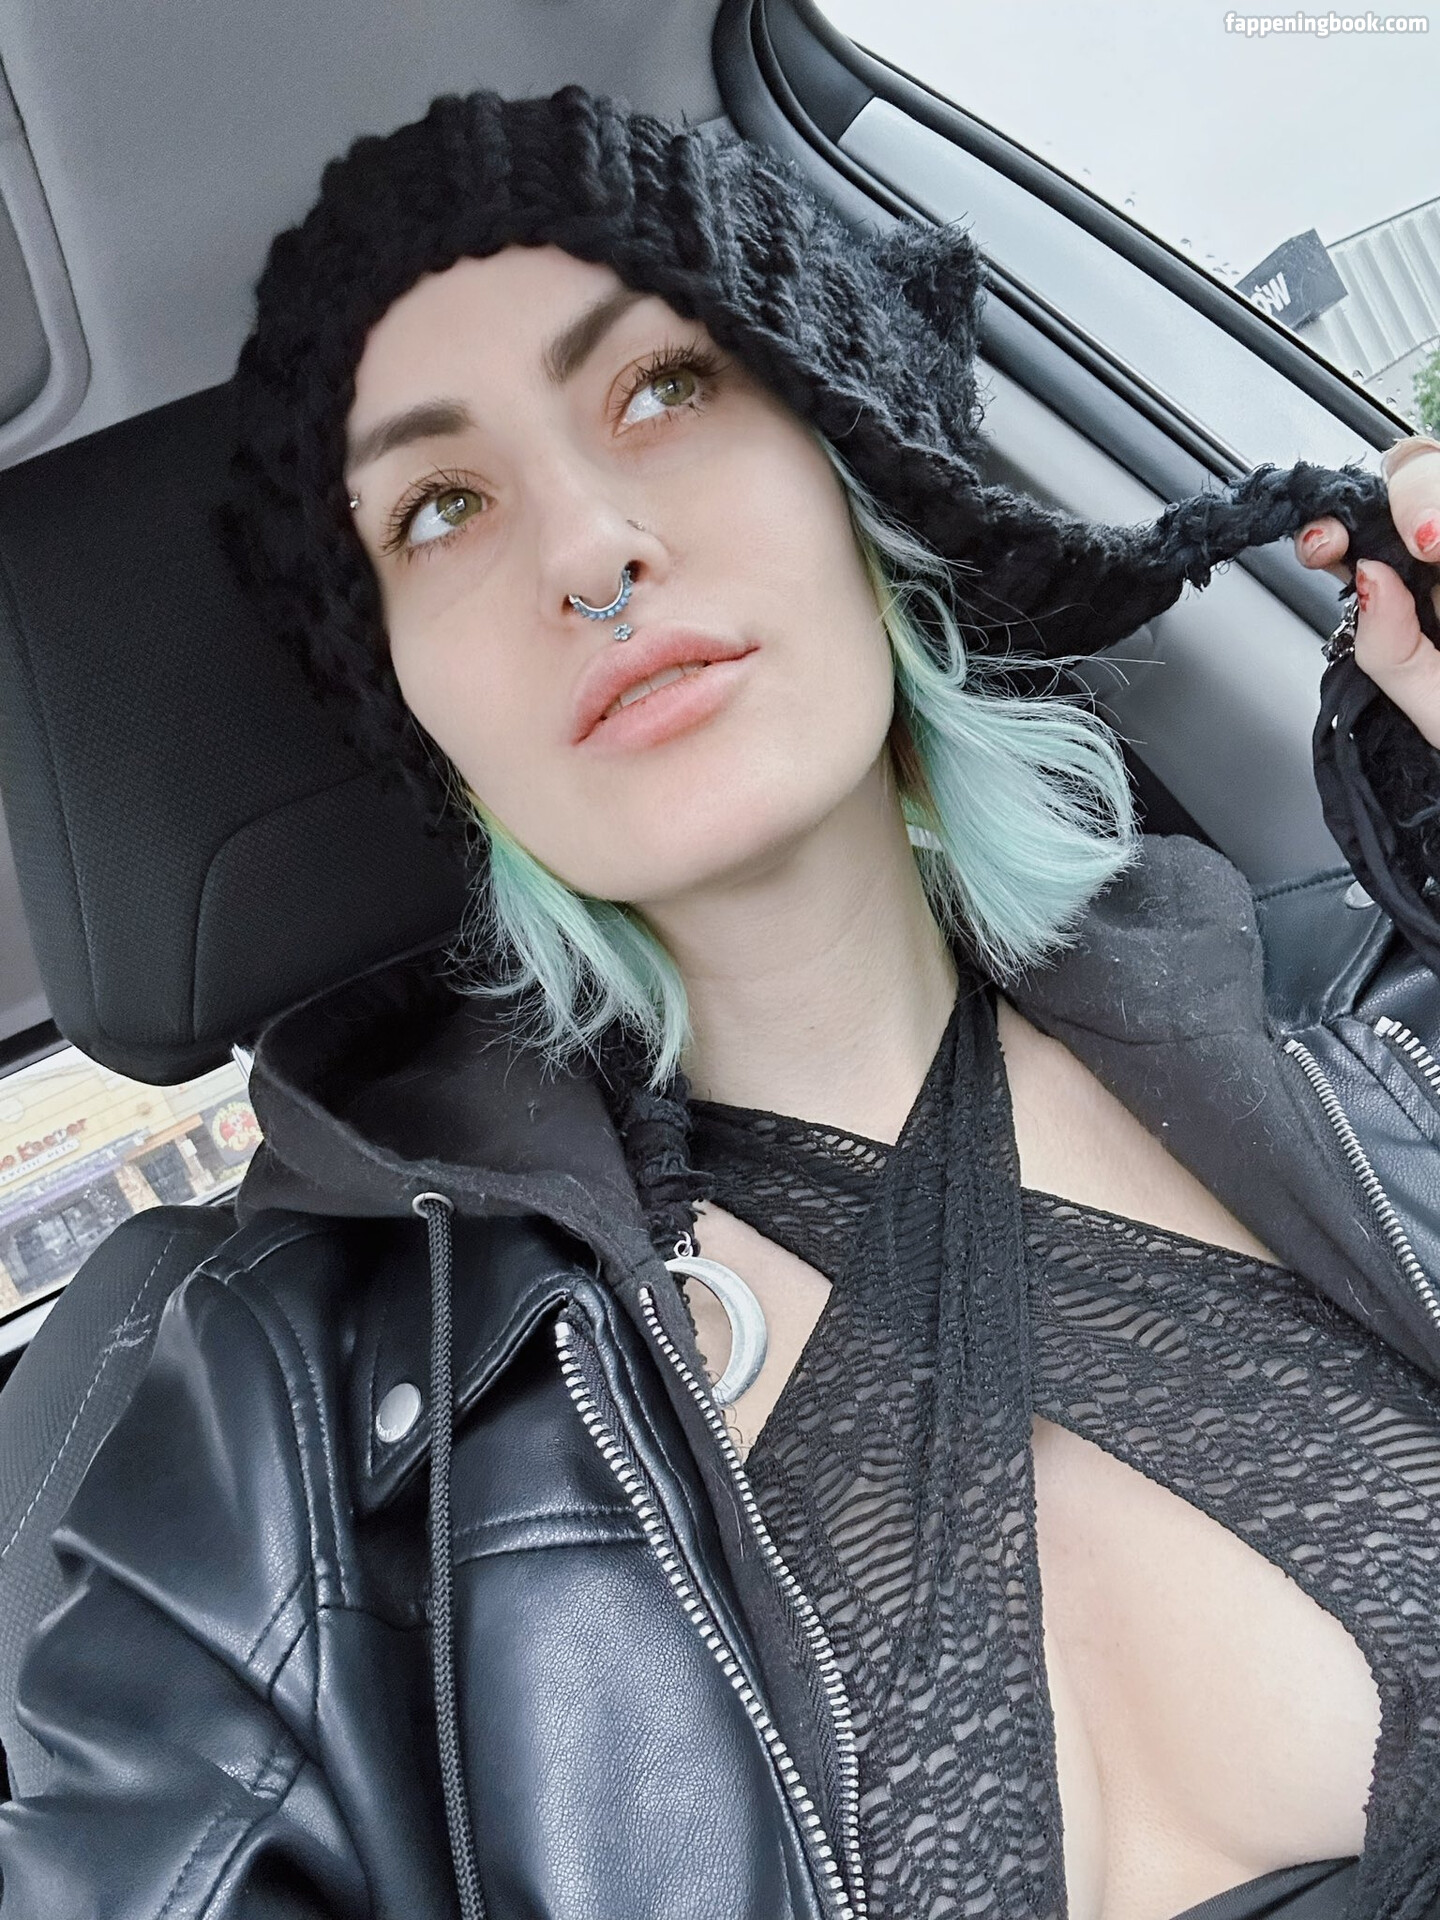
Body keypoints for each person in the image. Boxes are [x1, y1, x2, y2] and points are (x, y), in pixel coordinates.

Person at [2, 81, 1440, 1920]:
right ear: (415, 704)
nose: (588, 550)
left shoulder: (1370, 1030)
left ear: (859, 473)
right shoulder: (268, 1430)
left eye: (665, 388)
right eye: (440, 507)